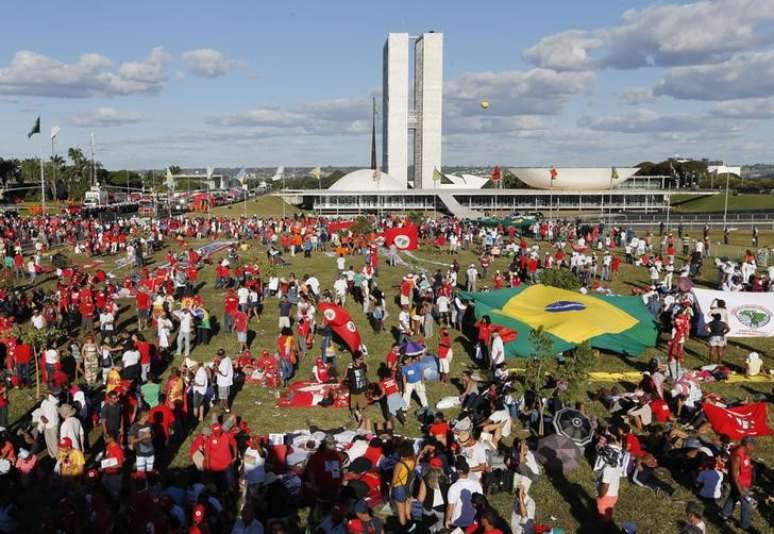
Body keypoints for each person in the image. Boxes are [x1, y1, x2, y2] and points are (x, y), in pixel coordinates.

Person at [721, 436, 755, 530]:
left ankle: (725, 514)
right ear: (748, 445)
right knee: (747, 505)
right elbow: (735, 475)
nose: (753, 448)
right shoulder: (737, 456)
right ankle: (745, 525)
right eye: (753, 446)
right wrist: (740, 489)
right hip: (740, 484)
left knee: (733, 496)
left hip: (745, 482)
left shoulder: (745, 452)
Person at [445, 457, 482, 531]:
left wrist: (447, 520)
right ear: (468, 471)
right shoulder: (477, 484)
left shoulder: (453, 487)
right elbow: (481, 503)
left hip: (458, 523)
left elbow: (450, 507)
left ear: (457, 471)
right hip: (474, 522)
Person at [390, 440, 416, 528]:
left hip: (399, 488)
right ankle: (411, 525)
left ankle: (404, 528)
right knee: (408, 511)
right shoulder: (413, 461)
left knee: (401, 513)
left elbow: (394, 480)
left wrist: (390, 489)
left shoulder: (399, 464)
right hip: (409, 487)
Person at [345, 353, 369, 424]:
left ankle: (359, 415)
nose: (362, 360)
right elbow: (346, 375)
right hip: (354, 389)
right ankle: (353, 415)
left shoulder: (363, 365)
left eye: (362, 359)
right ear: (355, 359)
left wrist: (365, 362)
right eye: (360, 359)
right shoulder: (350, 366)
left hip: (362, 389)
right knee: (353, 406)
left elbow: (367, 370)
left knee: (361, 406)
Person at [129, 409, 155, 473]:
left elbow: (154, 435)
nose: (149, 416)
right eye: (148, 414)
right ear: (144, 416)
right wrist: (143, 437)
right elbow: (132, 441)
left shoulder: (149, 424)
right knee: (141, 474)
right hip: (141, 455)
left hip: (151, 453)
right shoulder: (134, 427)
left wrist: (151, 436)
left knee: (150, 473)